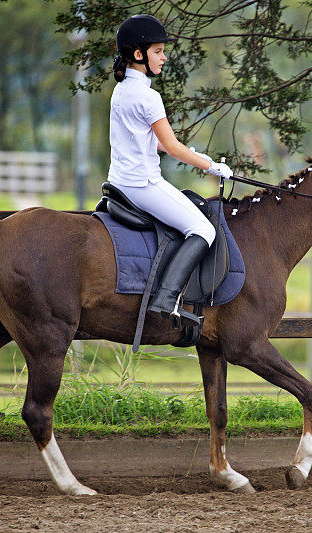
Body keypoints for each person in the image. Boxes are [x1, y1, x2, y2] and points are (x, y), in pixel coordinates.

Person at [108, 14, 233, 326]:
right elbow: (173, 147)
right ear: (139, 54)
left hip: (119, 182)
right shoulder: (148, 97)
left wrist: (195, 155)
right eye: (158, 51)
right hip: (143, 185)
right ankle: (165, 298)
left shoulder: (122, 90)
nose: (164, 57)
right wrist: (212, 165)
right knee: (204, 229)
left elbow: (158, 143)